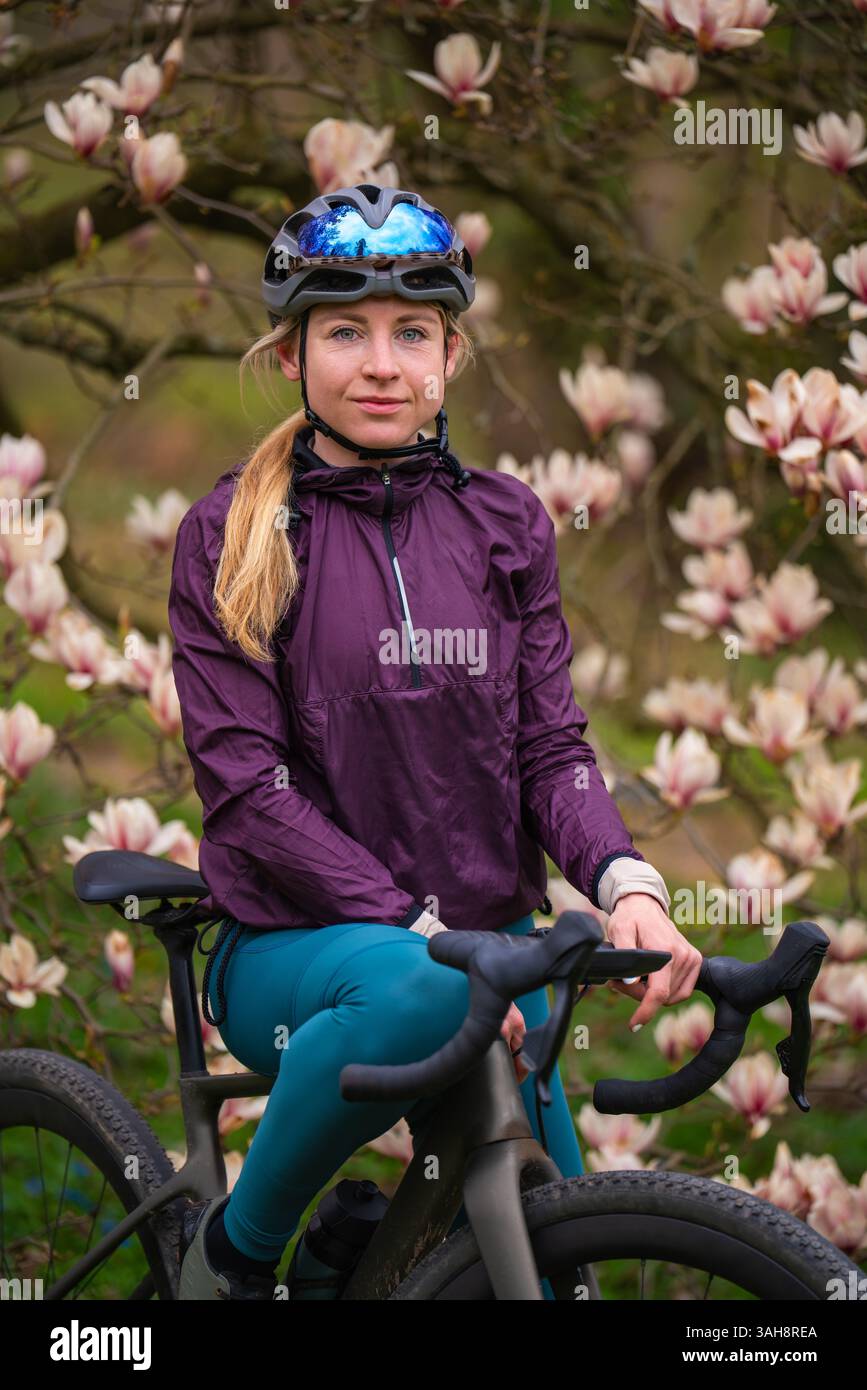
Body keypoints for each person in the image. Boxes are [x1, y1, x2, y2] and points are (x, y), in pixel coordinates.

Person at [169, 184, 702, 1301]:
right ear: (291, 351)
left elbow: (550, 747)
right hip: (296, 948)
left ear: (450, 355)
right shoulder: (230, 533)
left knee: (551, 1259)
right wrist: (419, 930)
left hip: (485, 947)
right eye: (345, 332)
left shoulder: (507, 523)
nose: (380, 363)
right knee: (421, 989)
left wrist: (625, 880)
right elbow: (249, 789)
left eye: (411, 333)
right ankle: (230, 1262)